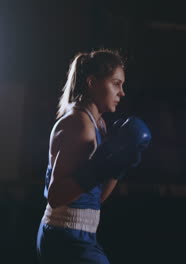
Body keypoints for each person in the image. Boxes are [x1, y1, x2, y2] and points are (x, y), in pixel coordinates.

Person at [36, 49, 152, 264]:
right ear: (92, 83)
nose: (122, 92)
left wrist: (118, 165)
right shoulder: (78, 123)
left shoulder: (98, 124)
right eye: (116, 83)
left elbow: (95, 198)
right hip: (64, 235)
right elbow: (56, 195)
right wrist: (100, 168)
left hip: (81, 235)